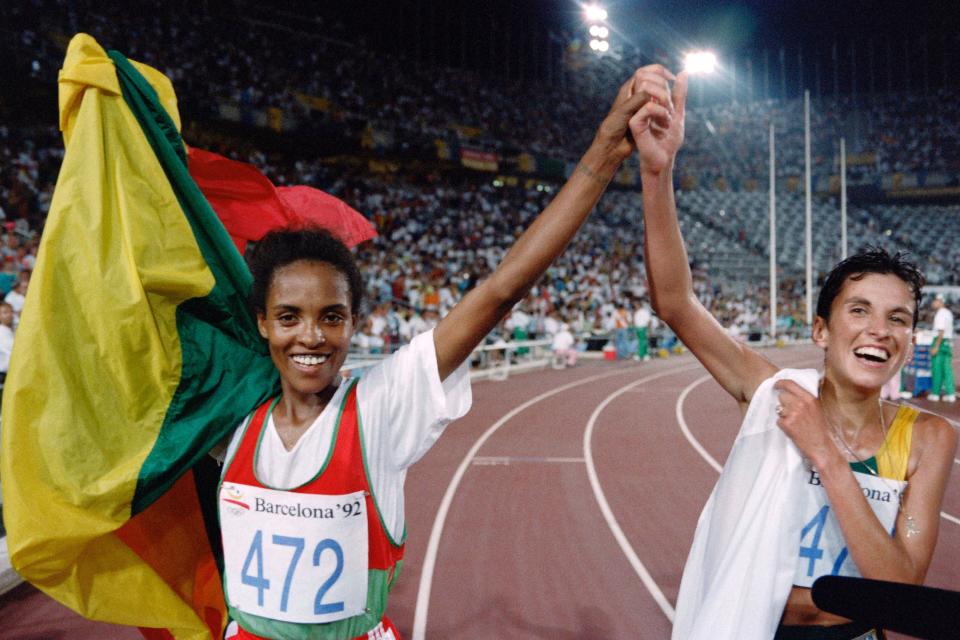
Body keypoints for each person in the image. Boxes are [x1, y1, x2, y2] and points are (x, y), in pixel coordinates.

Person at [216, 65, 674, 640]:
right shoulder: (230, 420)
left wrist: (604, 151)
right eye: (289, 317)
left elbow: (501, 289)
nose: (310, 337)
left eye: (331, 317)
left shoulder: (380, 407)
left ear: (355, 323)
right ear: (262, 323)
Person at [632, 70, 958, 639]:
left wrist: (827, 458)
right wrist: (657, 174)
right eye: (859, 311)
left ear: (910, 341)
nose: (880, 330)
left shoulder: (927, 438)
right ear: (821, 330)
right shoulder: (776, 395)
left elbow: (900, 589)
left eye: (898, 318)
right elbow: (675, 302)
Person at [929, 293, 955, 402]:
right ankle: (950, 394)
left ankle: (935, 393)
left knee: (937, 369)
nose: (932, 303)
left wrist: (936, 346)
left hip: (940, 342)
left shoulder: (940, 314)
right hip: (947, 343)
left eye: (934, 301)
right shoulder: (948, 313)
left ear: (940, 301)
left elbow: (941, 331)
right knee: (947, 370)